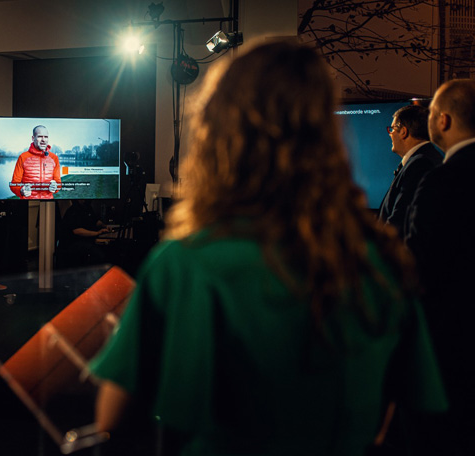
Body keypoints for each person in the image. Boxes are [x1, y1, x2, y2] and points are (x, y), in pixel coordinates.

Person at [89, 41, 447, 456]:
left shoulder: (185, 263)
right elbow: (404, 408)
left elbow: (111, 421)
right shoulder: (381, 261)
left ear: (218, 133)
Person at [406, 78, 475, 454]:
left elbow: (420, 265)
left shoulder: (442, 182)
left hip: (449, 348)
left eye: (430, 111)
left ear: (444, 121)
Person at [378, 105, 442, 237]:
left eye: (392, 129)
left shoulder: (420, 163)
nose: (390, 134)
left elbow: (399, 220)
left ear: (403, 131)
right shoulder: (425, 157)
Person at [9, 125, 62, 199]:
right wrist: (21, 190)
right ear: (33, 138)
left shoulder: (54, 158)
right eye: (40, 136)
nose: (43, 140)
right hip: (27, 204)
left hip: (48, 204)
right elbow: (14, 184)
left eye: (46, 137)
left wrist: (56, 187)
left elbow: (58, 183)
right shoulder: (23, 157)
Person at [58, 200, 111, 267]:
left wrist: (105, 226)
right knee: (99, 255)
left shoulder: (87, 207)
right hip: (73, 244)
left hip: (85, 242)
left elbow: (95, 221)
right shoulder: (73, 210)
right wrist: (97, 233)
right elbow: (77, 231)